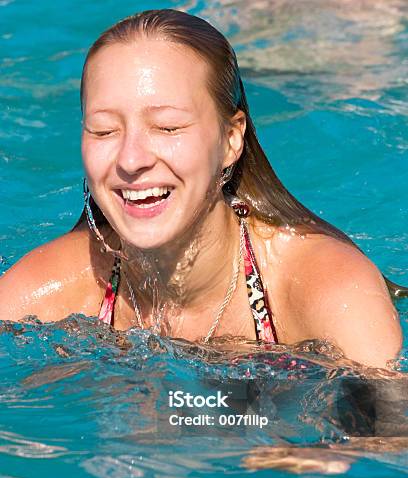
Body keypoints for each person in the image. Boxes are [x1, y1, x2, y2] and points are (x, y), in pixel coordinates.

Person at [0, 9, 405, 370]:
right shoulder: (50, 290)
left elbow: (388, 435)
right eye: (104, 130)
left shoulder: (326, 288)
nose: (130, 159)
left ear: (231, 139)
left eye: (168, 127)